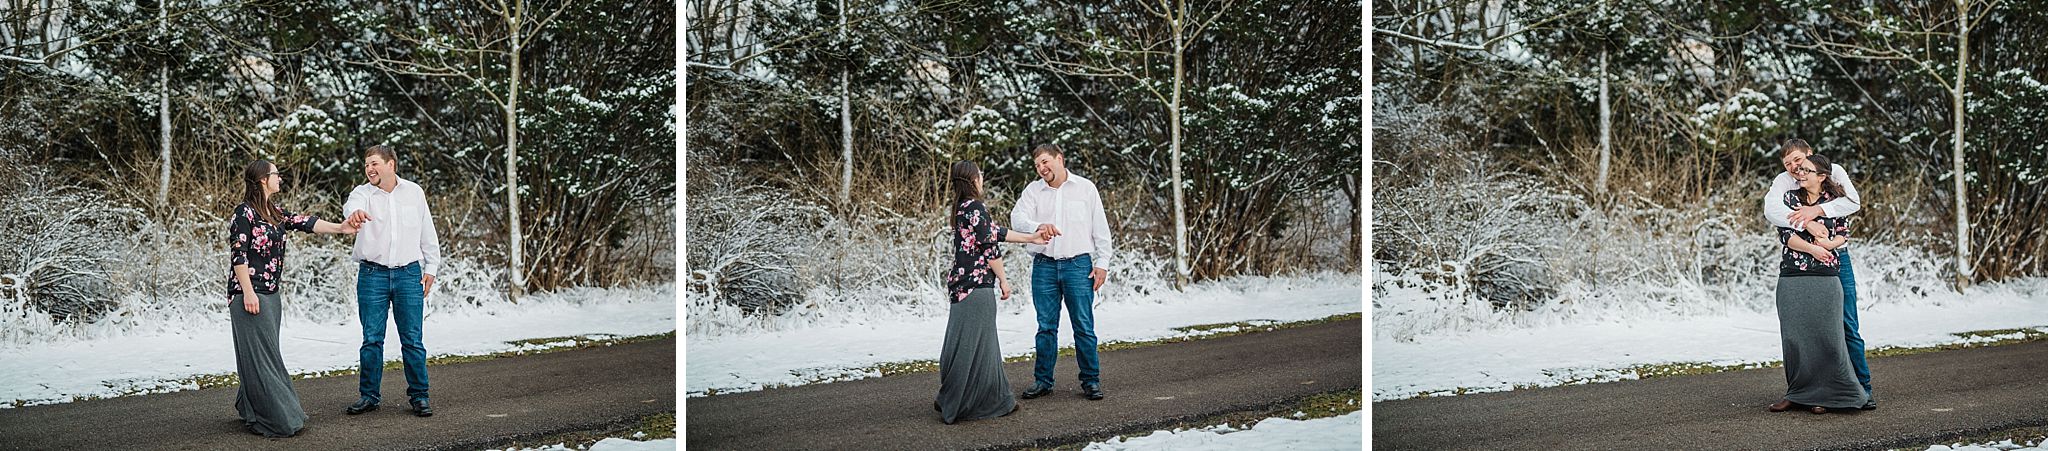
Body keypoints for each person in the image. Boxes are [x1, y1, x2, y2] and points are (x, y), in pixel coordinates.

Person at [228, 160, 359, 437]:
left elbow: (304, 222)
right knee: (265, 358)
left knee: (262, 355)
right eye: (276, 174)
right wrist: (248, 292)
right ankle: (279, 419)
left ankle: (249, 405)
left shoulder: (273, 212)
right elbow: (238, 255)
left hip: (271, 294)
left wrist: (340, 228)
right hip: (249, 296)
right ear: (263, 179)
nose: (280, 179)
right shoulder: (245, 213)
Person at [1761, 139, 1875, 410]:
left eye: (1798, 160)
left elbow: (1852, 204)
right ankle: (1805, 391)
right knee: (1802, 332)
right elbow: (1772, 212)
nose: (1794, 167)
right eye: (1788, 163)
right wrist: (1810, 225)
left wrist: (1818, 210)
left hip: (1835, 261)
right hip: (1798, 264)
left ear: (1811, 156)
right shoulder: (1785, 184)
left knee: (1846, 325)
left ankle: (1863, 389)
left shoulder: (1834, 173)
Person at [937, 161, 1048, 424]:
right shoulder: (975, 206)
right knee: (981, 345)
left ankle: (956, 397)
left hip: (961, 284)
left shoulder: (962, 208)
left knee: (964, 342)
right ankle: (983, 401)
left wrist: (1031, 237)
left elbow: (995, 232)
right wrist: (1004, 281)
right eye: (980, 174)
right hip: (976, 286)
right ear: (973, 178)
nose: (982, 177)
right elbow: (990, 247)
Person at [340, 145, 444, 417]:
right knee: (372, 339)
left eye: (374, 163)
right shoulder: (362, 193)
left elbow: (427, 231)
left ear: (391, 164)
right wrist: (354, 214)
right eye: (366, 165)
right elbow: (352, 207)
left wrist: (431, 266)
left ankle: (420, 396)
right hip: (372, 275)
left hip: (408, 274)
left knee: (412, 339)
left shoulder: (414, 192)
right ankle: (369, 396)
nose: (369, 169)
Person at [1009, 144, 1114, 401]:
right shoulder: (1034, 190)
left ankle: (1091, 381)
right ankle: (1043, 381)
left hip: (1078, 266)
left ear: (1059, 158)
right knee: (1046, 327)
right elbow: (1017, 218)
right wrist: (1038, 226)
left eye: (1045, 162)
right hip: (1044, 266)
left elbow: (1100, 228)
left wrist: (1102, 263)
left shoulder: (1085, 188)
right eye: (1037, 166)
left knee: (1084, 326)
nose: (1042, 169)